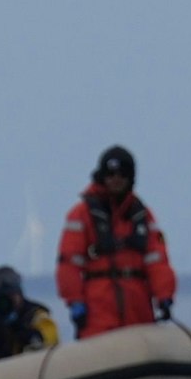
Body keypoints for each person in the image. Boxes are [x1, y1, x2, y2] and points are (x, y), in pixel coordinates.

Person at [55, 145, 177, 339]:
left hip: (138, 308)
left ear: (131, 178)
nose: (116, 179)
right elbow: (68, 263)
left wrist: (164, 296)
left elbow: (157, 261)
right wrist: (74, 301)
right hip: (98, 310)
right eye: (111, 174)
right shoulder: (81, 214)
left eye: (122, 174)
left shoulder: (143, 216)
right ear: (102, 175)